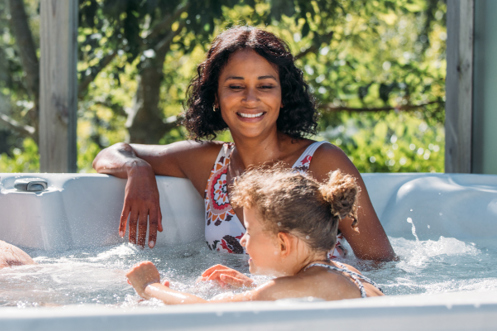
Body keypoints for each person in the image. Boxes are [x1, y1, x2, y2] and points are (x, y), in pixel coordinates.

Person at [93, 26, 396, 261]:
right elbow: (112, 152)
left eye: (265, 86)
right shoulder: (207, 164)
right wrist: (138, 171)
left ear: (282, 96)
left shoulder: (322, 162)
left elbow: (380, 262)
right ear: (215, 96)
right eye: (236, 86)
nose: (251, 99)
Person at [126, 167, 384, 303]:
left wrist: (151, 287)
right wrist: (254, 286)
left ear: (283, 243)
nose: (242, 240)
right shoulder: (345, 272)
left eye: (248, 231)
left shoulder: (306, 285)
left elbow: (202, 313)